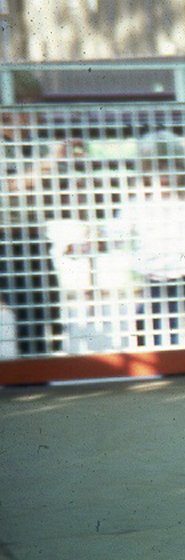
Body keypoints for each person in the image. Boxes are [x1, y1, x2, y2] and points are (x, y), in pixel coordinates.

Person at [105, 131, 185, 347]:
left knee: (177, 323)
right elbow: (117, 231)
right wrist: (98, 240)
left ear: (182, 170)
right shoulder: (138, 202)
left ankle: (175, 362)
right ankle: (161, 355)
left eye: (172, 167)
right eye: (156, 168)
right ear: (145, 172)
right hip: (154, 274)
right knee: (148, 323)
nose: (164, 175)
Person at [0, 71, 65, 355]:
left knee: (45, 305)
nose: (33, 116)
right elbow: (8, 185)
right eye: (27, 107)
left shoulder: (32, 144)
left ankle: (39, 366)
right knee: (24, 303)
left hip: (33, 235)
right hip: (7, 238)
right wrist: (48, 164)